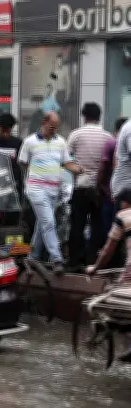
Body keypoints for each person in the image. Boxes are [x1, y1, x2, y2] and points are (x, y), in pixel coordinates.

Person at [17, 111, 84, 275]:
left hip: (54, 190)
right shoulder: (30, 142)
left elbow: (67, 162)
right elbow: (22, 162)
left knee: (42, 225)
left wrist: (78, 169)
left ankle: (32, 256)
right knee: (49, 222)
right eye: (51, 127)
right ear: (44, 122)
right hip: (36, 189)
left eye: (56, 127)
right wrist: (36, 175)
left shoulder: (61, 142)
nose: (54, 130)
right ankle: (57, 259)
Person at [86, 187, 131, 362]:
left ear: (124, 202)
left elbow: (107, 251)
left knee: (118, 302)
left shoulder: (123, 216)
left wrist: (95, 268)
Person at [67, 102, 114, 269]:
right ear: (99, 117)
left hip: (81, 186)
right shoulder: (108, 137)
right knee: (97, 225)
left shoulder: (75, 135)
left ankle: (74, 261)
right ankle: (91, 260)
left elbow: (67, 158)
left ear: (84, 116)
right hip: (99, 188)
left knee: (77, 225)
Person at [97, 117, 129, 261]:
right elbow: (107, 166)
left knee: (116, 234)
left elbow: (110, 165)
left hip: (117, 193)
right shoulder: (127, 130)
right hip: (123, 193)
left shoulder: (113, 142)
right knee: (117, 235)